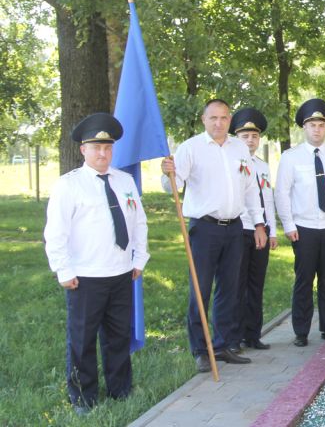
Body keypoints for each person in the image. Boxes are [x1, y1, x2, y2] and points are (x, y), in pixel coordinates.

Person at [44, 113, 149, 415]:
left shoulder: (125, 181)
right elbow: (56, 232)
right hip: (85, 276)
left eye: (107, 147)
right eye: (96, 148)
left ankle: (120, 389)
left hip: (120, 272)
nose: (103, 154)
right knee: (83, 339)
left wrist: (138, 258)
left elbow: (138, 222)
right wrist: (64, 270)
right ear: (83, 150)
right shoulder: (69, 185)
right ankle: (83, 396)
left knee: (118, 336)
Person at [161, 99, 267, 373]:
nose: (218, 123)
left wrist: (258, 223)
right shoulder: (190, 148)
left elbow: (250, 190)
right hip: (204, 228)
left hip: (234, 227)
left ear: (229, 119)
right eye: (213, 118)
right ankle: (201, 349)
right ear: (203, 119)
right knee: (201, 289)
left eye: (223, 118)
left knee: (230, 289)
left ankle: (224, 344)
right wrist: (168, 174)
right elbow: (173, 184)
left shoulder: (240, 148)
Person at [275, 98, 325, 346]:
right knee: (304, 279)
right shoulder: (291, 157)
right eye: (312, 125)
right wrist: (288, 225)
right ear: (304, 128)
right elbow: (282, 193)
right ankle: (301, 331)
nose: (317, 129)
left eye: (321, 125)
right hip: (304, 228)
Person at [229, 108, 278, 350]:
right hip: (239, 228)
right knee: (236, 285)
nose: (250, 140)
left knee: (256, 284)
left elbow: (267, 198)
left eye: (254, 136)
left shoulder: (262, 166)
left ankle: (253, 334)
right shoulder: (230, 164)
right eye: (244, 136)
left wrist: (273, 231)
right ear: (235, 137)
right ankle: (235, 336)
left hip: (262, 230)